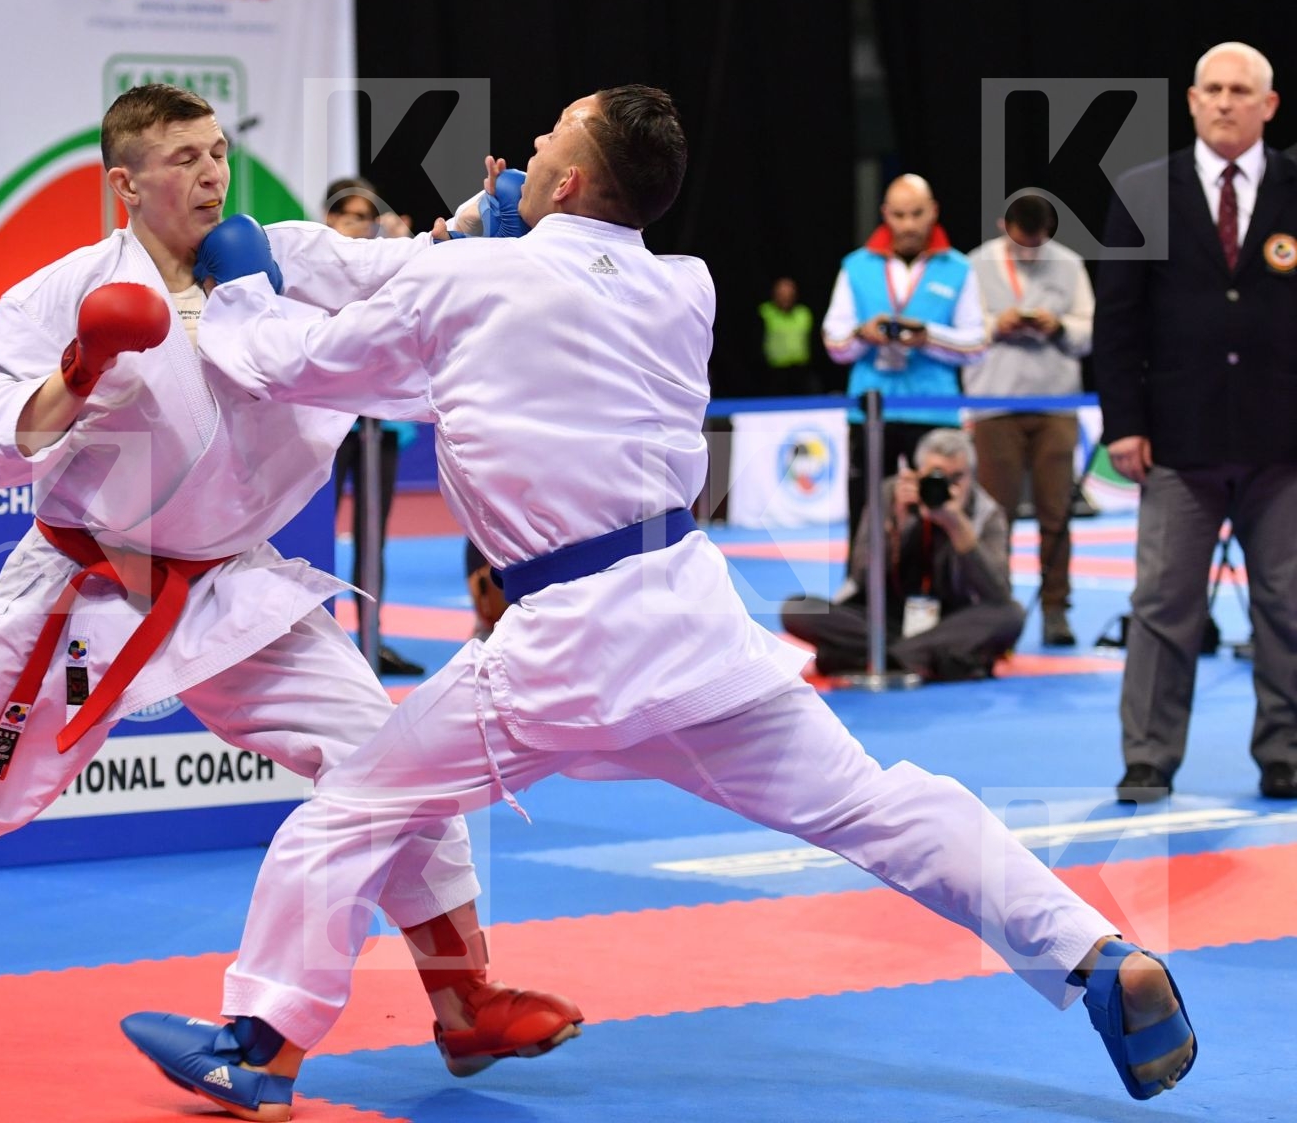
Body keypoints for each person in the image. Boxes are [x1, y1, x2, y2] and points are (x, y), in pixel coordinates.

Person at [121, 85, 1196, 1120]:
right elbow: (475, 368)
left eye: (545, 140)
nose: (525, 149)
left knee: (354, 809)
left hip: (562, 645)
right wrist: (489, 241)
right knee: (880, 806)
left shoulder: (473, 289)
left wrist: (249, 284)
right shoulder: (685, 284)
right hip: (694, 628)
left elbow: (289, 365)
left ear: (575, 176)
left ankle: (255, 1049)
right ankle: (1098, 957)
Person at [0, 83, 579, 1070]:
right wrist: (82, 367)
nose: (210, 173)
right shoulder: (55, 296)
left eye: (218, 151)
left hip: (239, 590)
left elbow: (405, 267)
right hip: (87, 593)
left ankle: (464, 1005)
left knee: (395, 763)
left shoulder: (286, 257)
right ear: (125, 184)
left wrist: (493, 222)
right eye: (183, 157)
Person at [1094, 40, 1297, 804]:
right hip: (1177, 442)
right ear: (1189, 100)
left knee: (1289, 605)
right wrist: (1123, 424)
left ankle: (1288, 750)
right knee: (1161, 607)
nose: (1224, 101)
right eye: (1211, 89)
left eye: (1240, 90)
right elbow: (1117, 325)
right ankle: (1148, 757)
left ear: (1268, 105)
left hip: (1284, 445)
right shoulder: (1145, 191)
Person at [821, 175, 988, 582]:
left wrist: (927, 336)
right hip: (871, 410)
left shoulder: (959, 268)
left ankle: (938, 594)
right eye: (899, 215)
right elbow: (834, 342)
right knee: (865, 508)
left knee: (939, 509)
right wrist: (864, 334)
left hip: (936, 412)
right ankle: (859, 591)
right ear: (885, 215)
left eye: (916, 214)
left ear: (933, 211)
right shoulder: (855, 266)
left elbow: (978, 343)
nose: (908, 224)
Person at [780, 428, 1024, 681]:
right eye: (936, 477)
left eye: (957, 478)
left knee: (1011, 616)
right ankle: (922, 658)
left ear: (972, 477)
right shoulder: (890, 495)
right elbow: (861, 575)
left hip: (952, 623)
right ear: (917, 474)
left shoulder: (987, 512)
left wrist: (958, 526)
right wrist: (898, 521)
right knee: (798, 608)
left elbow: (998, 594)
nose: (946, 487)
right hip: (884, 621)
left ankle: (881, 657)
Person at [966, 193, 1096, 648]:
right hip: (996, 403)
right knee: (994, 515)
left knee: (1056, 512)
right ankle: (993, 607)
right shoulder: (975, 265)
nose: (1029, 252)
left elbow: (1089, 329)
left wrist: (1058, 327)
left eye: (1037, 244)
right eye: (1022, 242)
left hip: (1055, 402)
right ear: (1004, 225)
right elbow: (961, 332)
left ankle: (1056, 609)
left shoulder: (1068, 263)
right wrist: (995, 325)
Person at [322, 177, 426, 676]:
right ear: (330, 220)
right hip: (325, 427)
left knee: (372, 540)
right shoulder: (315, 269)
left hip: (378, 428)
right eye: (352, 217)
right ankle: (316, 651)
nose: (362, 227)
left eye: (368, 217)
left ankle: (371, 640)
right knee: (315, 536)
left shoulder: (388, 266)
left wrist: (402, 249)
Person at [758, 276, 818, 396]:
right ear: (774, 294)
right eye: (782, 294)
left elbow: (814, 342)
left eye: (789, 294)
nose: (785, 298)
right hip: (774, 373)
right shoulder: (764, 312)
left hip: (801, 372)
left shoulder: (804, 314)